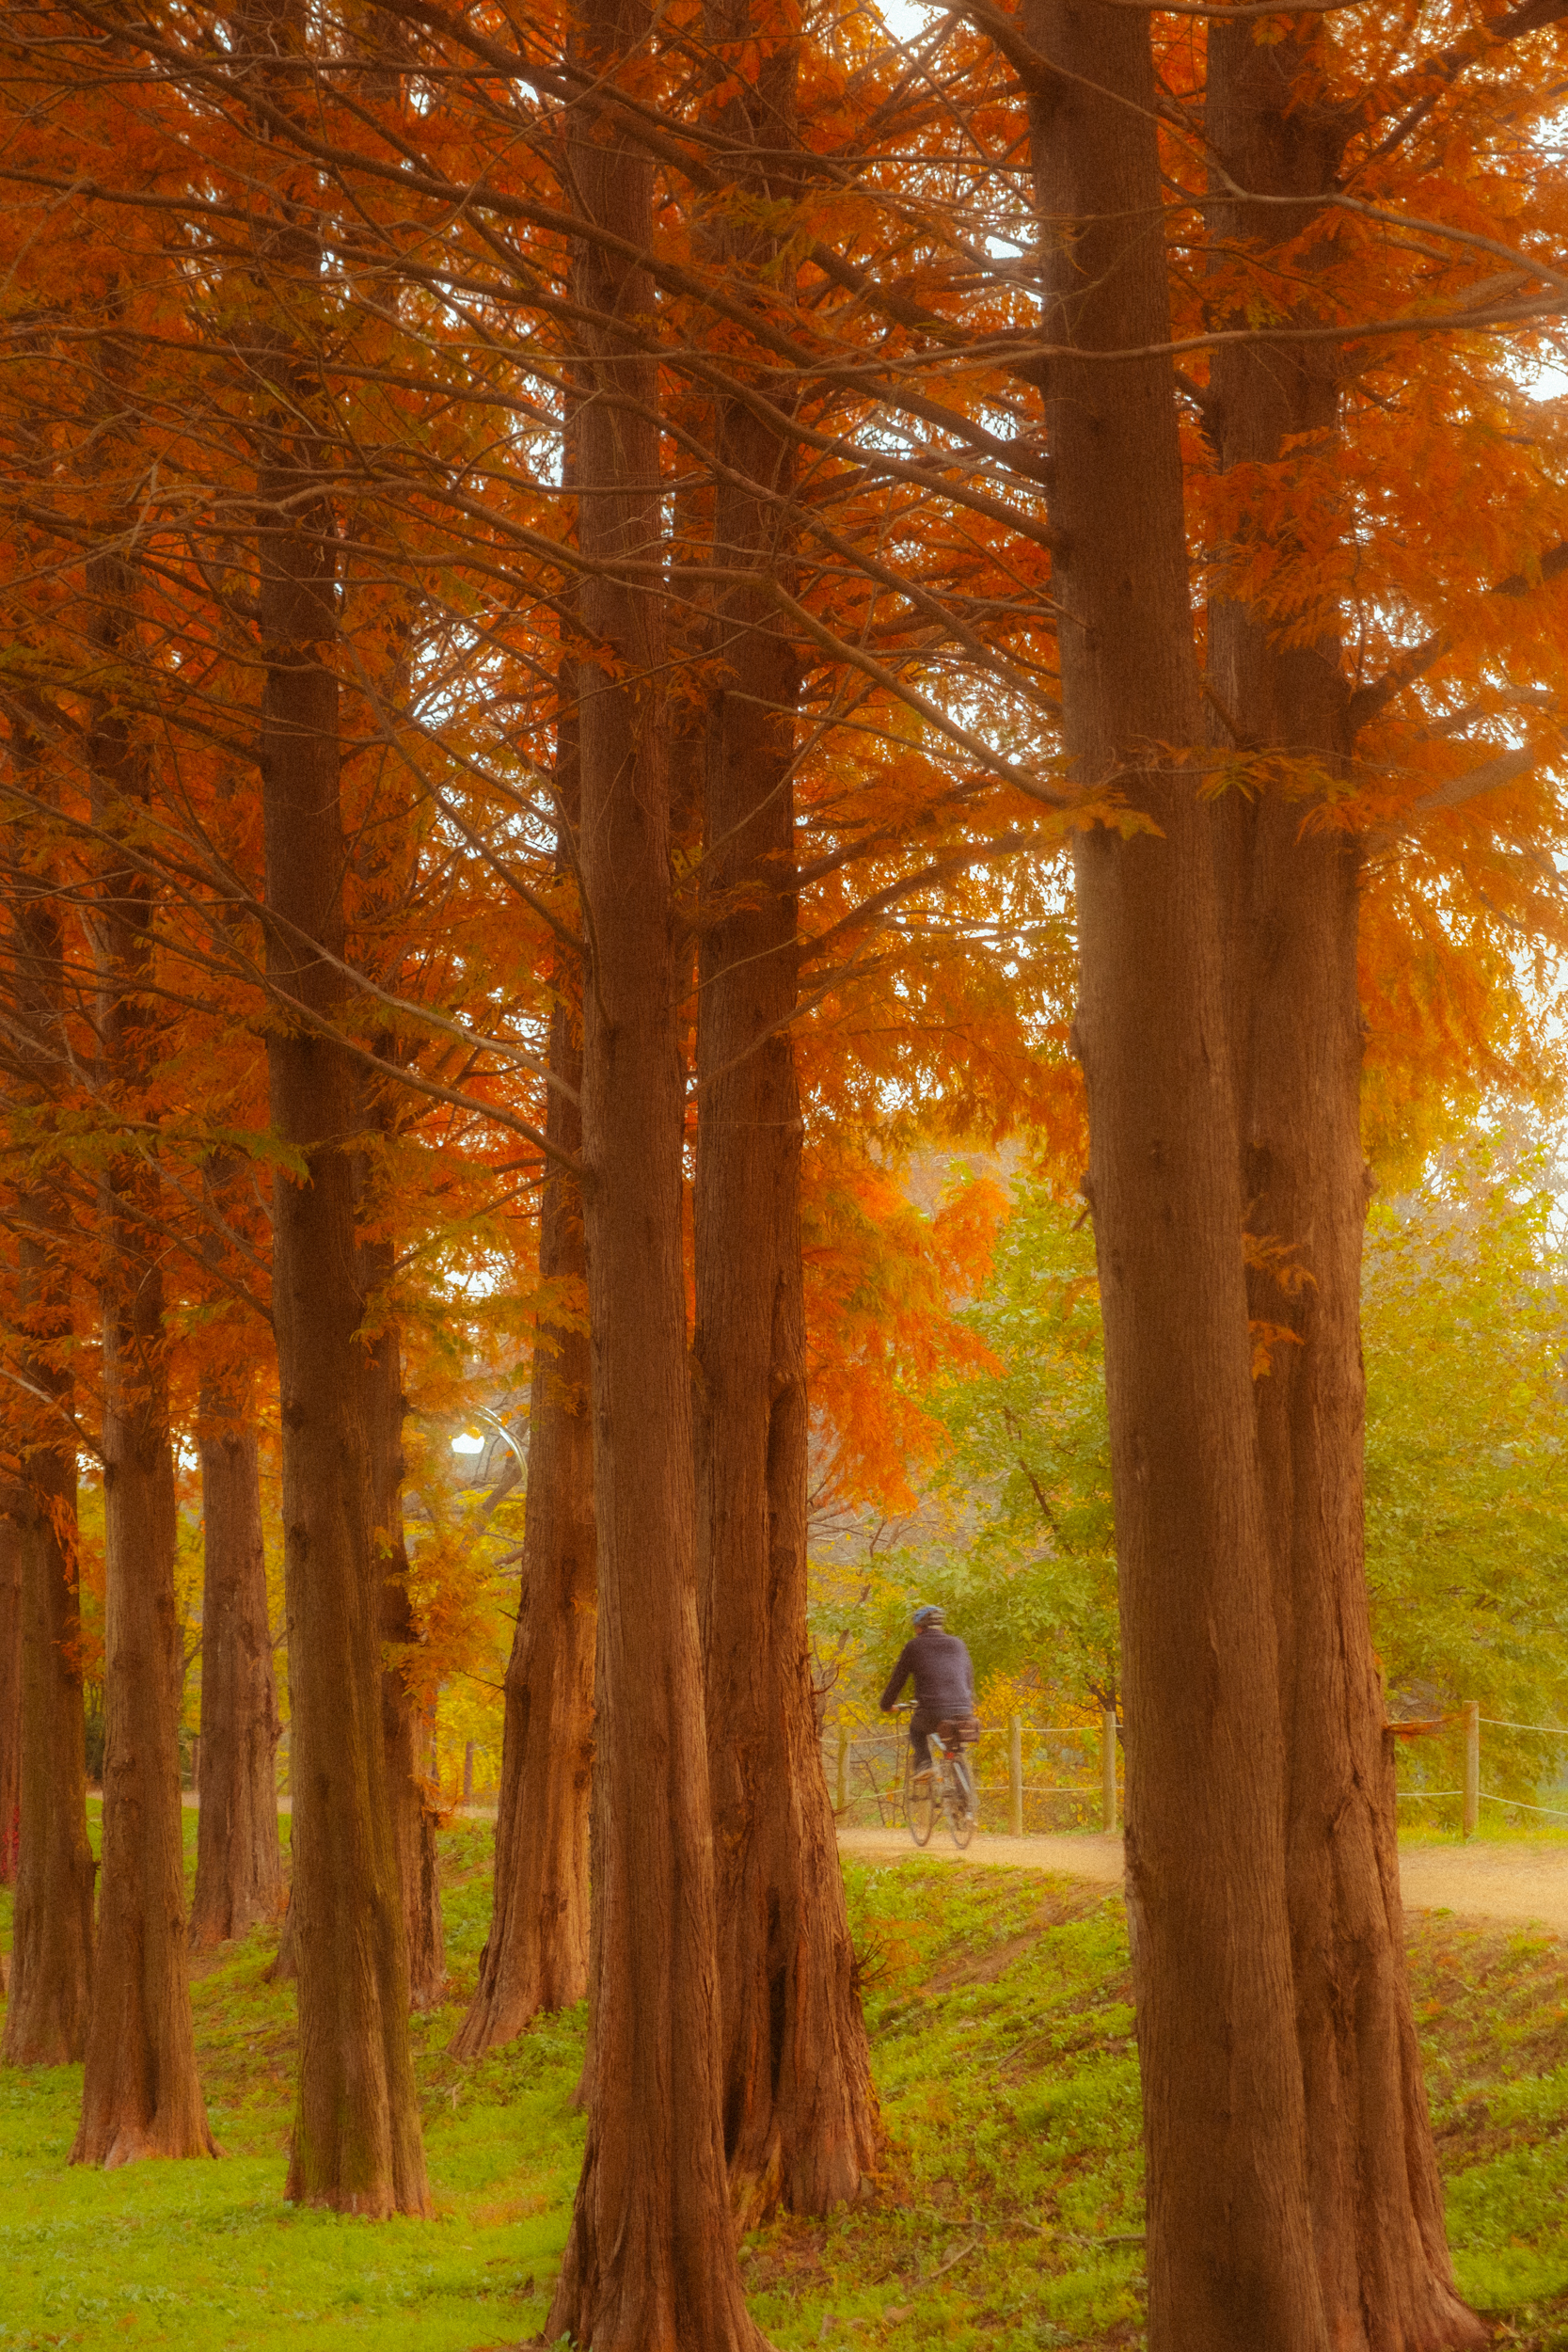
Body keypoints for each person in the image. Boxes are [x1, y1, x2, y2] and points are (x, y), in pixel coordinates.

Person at [880, 1603, 975, 1785]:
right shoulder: (958, 1644)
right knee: (956, 1747)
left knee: (916, 1730)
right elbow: (968, 1676)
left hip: (932, 1711)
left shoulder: (914, 1646)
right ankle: (966, 1803)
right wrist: (968, 1702)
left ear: (919, 1627)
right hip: (963, 1709)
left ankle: (924, 1764)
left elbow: (897, 1680)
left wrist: (886, 1705)